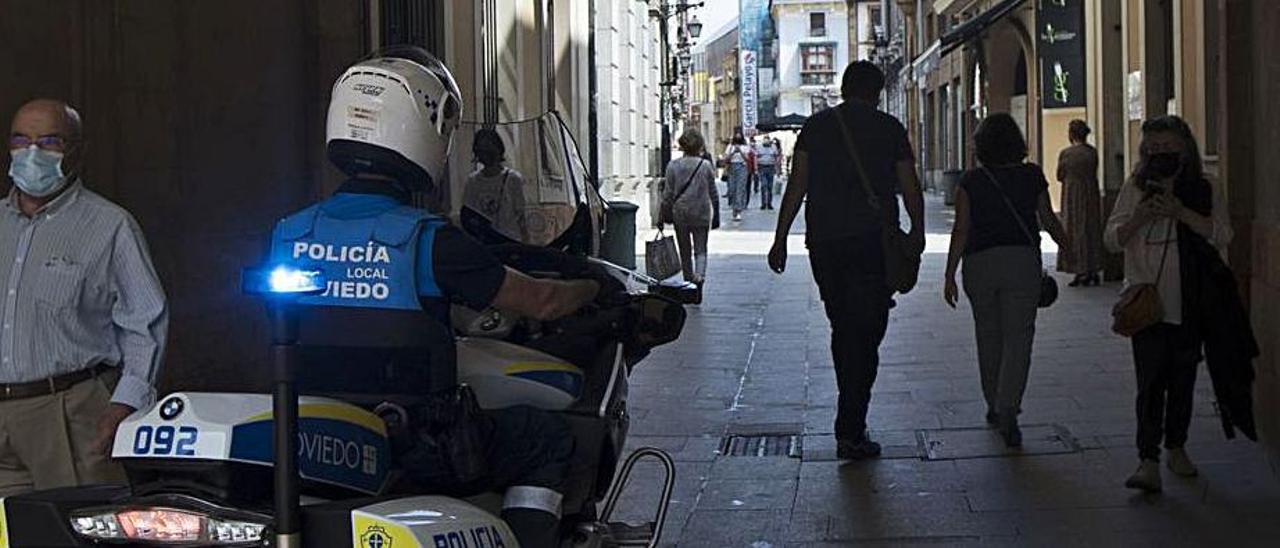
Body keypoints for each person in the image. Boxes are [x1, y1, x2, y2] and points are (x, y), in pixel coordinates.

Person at [269, 48, 598, 548]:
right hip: (416, 442)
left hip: (312, 435)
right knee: (545, 436)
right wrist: (594, 286)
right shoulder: (428, 238)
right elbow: (541, 302)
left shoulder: (289, 232)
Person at [0, 99, 168, 496]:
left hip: (68, 412)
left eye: (49, 142)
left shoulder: (109, 226)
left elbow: (146, 321)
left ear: (76, 151)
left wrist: (122, 406)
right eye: (21, 140)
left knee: (74, 528)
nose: (32, 154)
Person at [768, 61, 925, 460]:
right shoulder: (890, 129)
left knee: (842, 323)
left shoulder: (816, 127)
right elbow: (909, 186)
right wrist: (918, 232)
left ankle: (849, 413)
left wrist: (781, 237)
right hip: (874, 243)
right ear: (875, 92)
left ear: (843, 88)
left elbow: (797, 184)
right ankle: (851, 421)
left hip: (827, 242)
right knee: (868, 329)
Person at [1105, 115, 1234, 493]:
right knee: (1149, 383)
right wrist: (1141, 216)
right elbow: (1112, 238)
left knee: (1183, 379)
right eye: (1153, 149)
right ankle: (1148, 459)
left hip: (1193, 300)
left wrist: (1182, 213)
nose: (1160, 155)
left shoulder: (1207, 187)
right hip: (1146, 299)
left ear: (1185, 149)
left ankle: (1177, 446)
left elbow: (1223, 234)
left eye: (1168, 148)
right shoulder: (1135, 187)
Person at [943, 113, 1069, 447]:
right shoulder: (1032, 175)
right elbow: (1048, 219)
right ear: (1017, 143)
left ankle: (993, 404)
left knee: (988, 335)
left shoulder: (970, 181)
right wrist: (1070, 247)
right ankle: (1009, 407)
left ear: (980, 146)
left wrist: (949, 273)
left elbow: (962, 229)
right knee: (1019, 337)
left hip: (979, 264)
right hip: (1020, 262)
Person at [661, 129, 719, 287]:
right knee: (701, 249)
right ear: (700, 145)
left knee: (684, 251)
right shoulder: (705, 165)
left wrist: (663, 213)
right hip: (701, 212)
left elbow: (668, 194)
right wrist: (717, 213)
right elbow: (713, 192)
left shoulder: (673, 166)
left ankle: (688, 282)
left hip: (681, 212)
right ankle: (699, 277)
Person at [461, 128, 529, 245]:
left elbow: (521, 215)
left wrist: (525, 242)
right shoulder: (473, 182)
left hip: (510, 241)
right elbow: (468, 216)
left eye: (488, 148)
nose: (485, 154)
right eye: (482, 149)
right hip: (485, 244)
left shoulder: (513, 179)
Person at [1057, 120, 1103, 287]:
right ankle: (1093, 269)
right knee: (1091, 229)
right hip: (1090, 193)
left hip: (1072, 195)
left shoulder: (1066, 154)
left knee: (1074, 230)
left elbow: (1059, 175)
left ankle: (1078, 269)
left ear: (1071, 134)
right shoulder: (1092, 153)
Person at [722, 133, 752, 222]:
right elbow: (726, 159)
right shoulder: (730, 146)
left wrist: (741, 151)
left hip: (742, 167)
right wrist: (733, 152)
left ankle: (738, 210)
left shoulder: (745, 147)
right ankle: (734, 207)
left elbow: (747, 159)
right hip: (732, 167)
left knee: (740, 188)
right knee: (732, 189)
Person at [754, 136, 780, 210]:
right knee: (763, 185)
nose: (766, 141)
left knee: (770, 186)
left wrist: (777, 168)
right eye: (765, 140)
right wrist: (756, 167)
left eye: (767, 140)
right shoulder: (759, 147)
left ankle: (769, 203)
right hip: (762, 167)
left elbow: (776, 157)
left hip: (770, 167)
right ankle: (763, 203)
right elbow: (756, 157)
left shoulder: (773, 147)